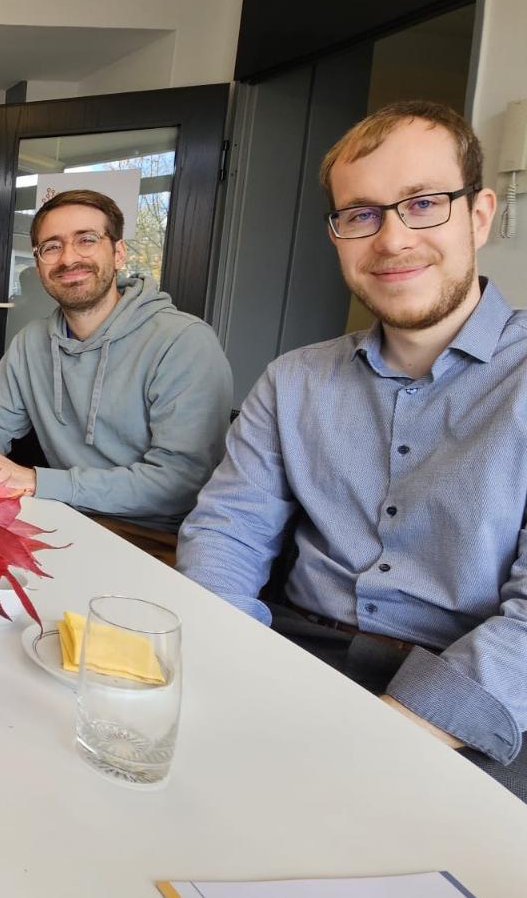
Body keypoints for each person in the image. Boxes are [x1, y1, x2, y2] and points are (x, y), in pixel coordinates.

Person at [178, 102, 527, 797]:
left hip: (474, 699)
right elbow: (226, 532)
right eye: (361, 214)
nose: (392, 239)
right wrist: (230, 668)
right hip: (296, 656)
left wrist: (378, 736)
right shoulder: (293, 379)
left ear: (480, 215)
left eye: (423, 203)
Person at [0, 189, 231, 533]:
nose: (68, 258)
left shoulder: (183, 342)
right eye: (52, 246)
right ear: (39, 264)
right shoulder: (31, 342)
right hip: (62, 514)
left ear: (118, 252)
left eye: (87, 240)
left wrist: (36, 481)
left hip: (153, 535)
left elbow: (178, 484)